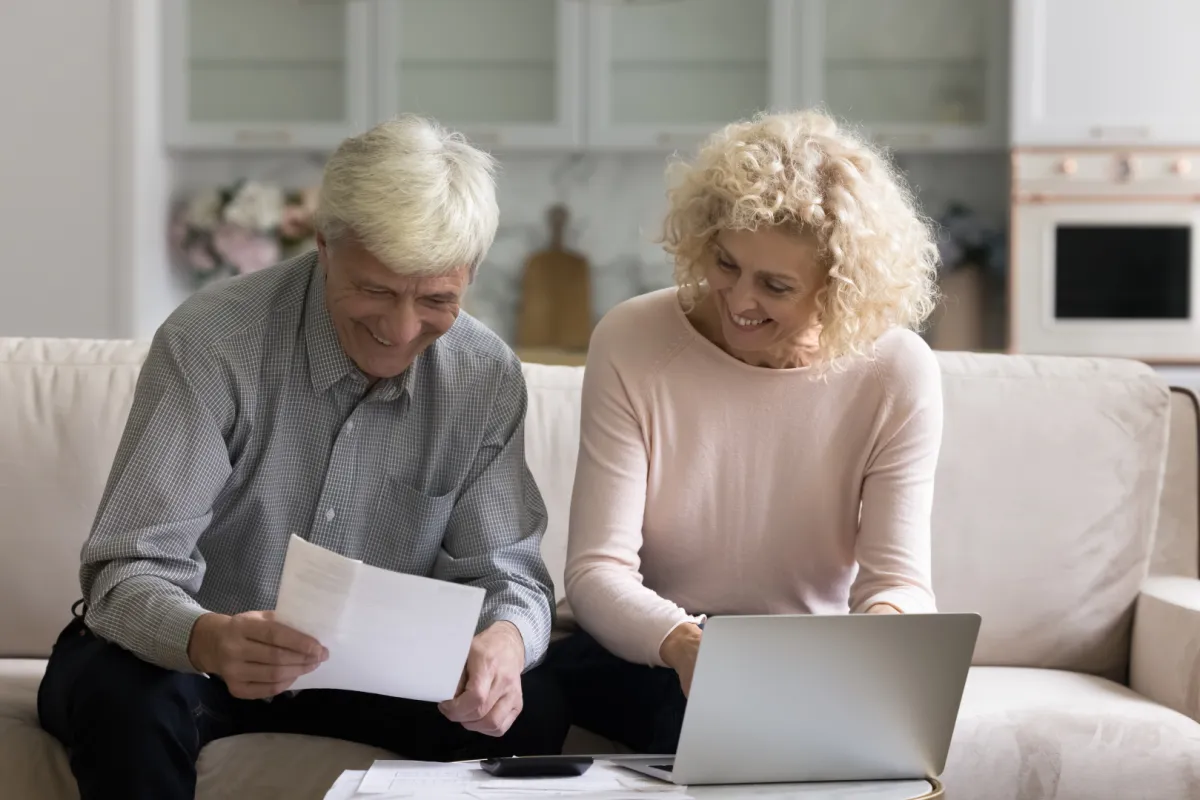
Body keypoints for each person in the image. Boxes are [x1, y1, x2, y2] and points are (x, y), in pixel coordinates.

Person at [37, 115, 569, 800]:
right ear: (323, 244)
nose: (401, 329)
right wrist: (207, 638)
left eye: (436, 299)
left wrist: (505, 645)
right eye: (375, 290)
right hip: (197, 657)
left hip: (385, 678)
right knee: (122, 699)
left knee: (536, 705)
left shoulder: (484, 376)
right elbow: (126, 569)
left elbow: (511, 578)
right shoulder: (212, 344)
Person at [545, 109, 945, 755]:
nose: (738, 300)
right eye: (726, 264)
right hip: (649, 648)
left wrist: (879, 642)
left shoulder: (896, 370)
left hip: (800, 657)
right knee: (713, 725)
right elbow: (596, 572)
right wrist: (686, 645)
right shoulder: (634, 339)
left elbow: (897, 584)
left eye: (776, 285)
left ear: (840, 291)